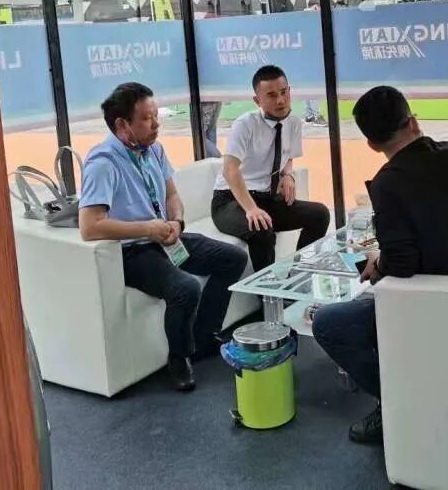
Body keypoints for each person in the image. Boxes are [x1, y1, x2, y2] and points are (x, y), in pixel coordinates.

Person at [313, 86, 448, 444]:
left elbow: (402, 263)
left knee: (328, 323)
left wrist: (377, 263)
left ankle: (398, 403)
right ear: (414, 122)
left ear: (372, 144)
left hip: (439, 306)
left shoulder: (389, 183)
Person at [79, 82, 248, 393]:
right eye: (147, 119)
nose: (156, 124)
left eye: (156, 116)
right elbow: (90, 226)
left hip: (165, 236)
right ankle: (179, 358)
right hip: (133, 250)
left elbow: (171, 195)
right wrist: (147, 229)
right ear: (122, 125)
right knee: (185, 289)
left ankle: (202, 338)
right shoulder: (102, 163)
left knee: (233, 258)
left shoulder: (154, 150)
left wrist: (177, 221)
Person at [211, 65, 331, 273]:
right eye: (272, 95)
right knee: (262, 229)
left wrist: (288, 174)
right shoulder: (245, 124)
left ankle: (298, 276)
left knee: (320, 214)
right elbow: (230, 170)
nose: (281, 100)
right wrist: (251, 209)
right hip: (231, 200)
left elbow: (287, 155)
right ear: (257, 100)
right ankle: (268, 292)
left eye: (284, 92)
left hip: (266, 197)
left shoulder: (293, 122)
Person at [302, 0, 327, 126]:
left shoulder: (302, 18)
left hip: (305, 59)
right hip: (310, 59)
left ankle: (309, 115)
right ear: (315, 7)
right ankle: (316, 116)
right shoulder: (310, 18)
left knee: (308, 88)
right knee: (313, 87)